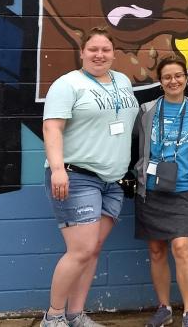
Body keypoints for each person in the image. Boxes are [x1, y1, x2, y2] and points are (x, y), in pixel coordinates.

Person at [41, 27, 140, 327]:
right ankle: (53, 317)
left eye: (106, 50)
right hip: (77, 176)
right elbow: (52, 128)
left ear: (114, 53)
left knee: (92, 250)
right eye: (93, 49)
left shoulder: (122, 81)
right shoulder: (67, 84)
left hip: (113, 182)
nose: (100, 55)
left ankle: (75, 315)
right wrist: (58, 169)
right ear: (82, 52)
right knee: (81, 249)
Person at [133, 55, 188, 327]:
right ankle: (164, 308)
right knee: (156, 250)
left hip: (184, 190)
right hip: (150, 190)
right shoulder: (146, 111)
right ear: (160, 81)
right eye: (167, 76)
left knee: (181, 247)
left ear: (186, 79)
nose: (173, 80)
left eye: (178, 75)